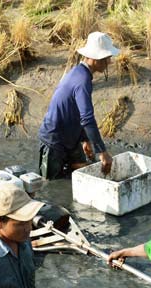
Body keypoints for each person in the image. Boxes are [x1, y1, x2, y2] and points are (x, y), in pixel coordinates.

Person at [38, 31, 120, 180]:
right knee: (51, 184)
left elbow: (76, 112)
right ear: (96, 59)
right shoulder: (82, 81)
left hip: (71, 137)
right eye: (107, 58)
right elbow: (87, 119)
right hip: (54, 140)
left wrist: (85, 139)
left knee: (82, 173)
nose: (109, 62)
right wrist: (102, 152)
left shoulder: (79, 73)